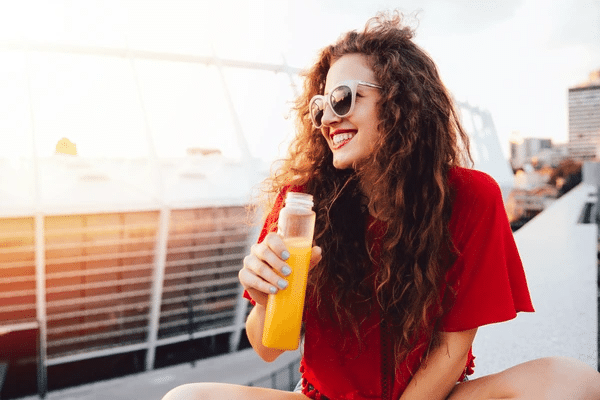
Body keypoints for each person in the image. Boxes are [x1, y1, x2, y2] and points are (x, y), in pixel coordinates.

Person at [162, 11, 600, 400]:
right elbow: (267, 347)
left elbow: (452, 349)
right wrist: (263, 300)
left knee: (573, 382)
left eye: (342, 99)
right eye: (319, 107)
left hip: (430, 397)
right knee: (186, 396)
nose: (328, 119)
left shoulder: (470, 196)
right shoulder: (301, 203)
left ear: (399, 101)